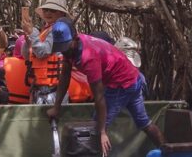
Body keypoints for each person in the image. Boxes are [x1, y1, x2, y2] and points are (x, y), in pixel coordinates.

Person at [46, 18, 164, 154]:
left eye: (66, 46)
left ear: (75, 38)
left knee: (94, 131)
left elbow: (99, 96)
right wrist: (56, 107)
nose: (64, 51)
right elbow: (65, 76)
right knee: (144, 122)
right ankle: (167, 150)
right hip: (132, 78)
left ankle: (167, 151)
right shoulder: (72, 48)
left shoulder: (88, 58)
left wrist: (101, 131)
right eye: (61, 47)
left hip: (121, 84)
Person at [20, 0, 70, 104]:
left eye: (52, 10)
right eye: (45, 10)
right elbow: (26, 55)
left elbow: (42, 52)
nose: (48, 13)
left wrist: (32, 33)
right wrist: (28, 39)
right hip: (39, 87)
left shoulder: (59, 30)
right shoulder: (45, 30)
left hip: (53, 90)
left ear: (62, 13)